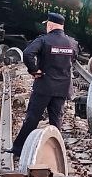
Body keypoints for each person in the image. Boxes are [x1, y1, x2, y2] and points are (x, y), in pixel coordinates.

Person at [8, 12, 80, 160]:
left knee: (33, 118)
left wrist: (34, 70)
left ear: (50, 25)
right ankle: (55, 154)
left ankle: (18, 149)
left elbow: (27, 53)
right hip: (62, 88)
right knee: (56, 121)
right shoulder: (72, 43)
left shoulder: (44, 40)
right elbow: (74, 58)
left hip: (44, 87)